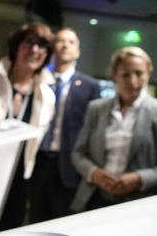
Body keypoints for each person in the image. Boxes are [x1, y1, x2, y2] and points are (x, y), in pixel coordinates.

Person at [70, 46, 157, 211]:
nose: (133, 81)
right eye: (125, 74)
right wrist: (94, 173)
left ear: (148, 73)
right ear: (114, 75)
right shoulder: (96, 108)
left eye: (139, 73)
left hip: (138, 202)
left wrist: (140, 178)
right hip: (94, 198)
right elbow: (78, 153)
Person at [27, 28, 102, 222]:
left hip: (68, 164)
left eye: (71, 42)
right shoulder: (38, 79)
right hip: (37, 159)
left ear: (77, 51)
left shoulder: (90, 86)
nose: (65, 45)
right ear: (52, 47)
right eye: (60, 41)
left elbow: (93, 131)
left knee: (63, 221)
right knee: (34, 217)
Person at [0, 22, 56, 230]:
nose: (35, 50)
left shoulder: (46, 94)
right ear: (16, 46)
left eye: (42, 46)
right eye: (29, 43)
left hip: (20, 175)